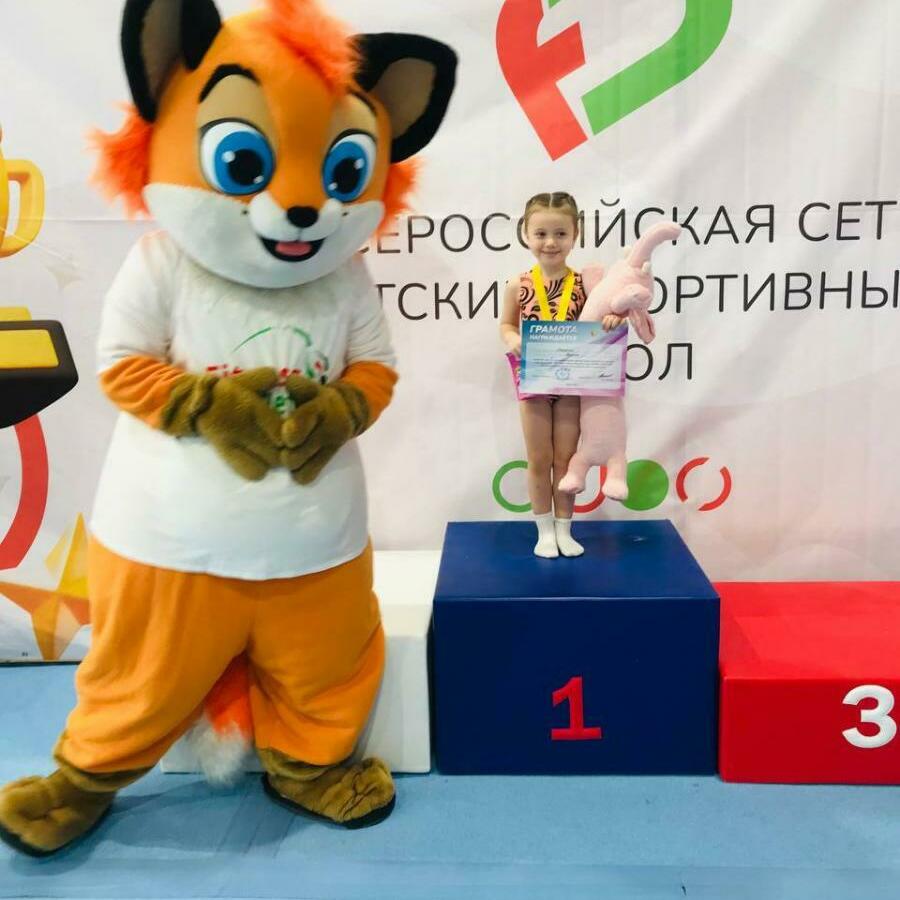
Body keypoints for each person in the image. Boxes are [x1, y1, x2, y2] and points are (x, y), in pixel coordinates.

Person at [499, 192, 621, 558]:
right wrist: (512, 339)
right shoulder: (518, 284)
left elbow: (603, 317)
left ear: (575, 235)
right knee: (539, 458)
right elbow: (506, 324)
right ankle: (544, 531)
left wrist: (611, 320)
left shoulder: (586, 285)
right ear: (526, 233)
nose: (550, 242)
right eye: (541, 233)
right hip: (533, 380)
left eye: (560, 233)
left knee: (566, 460)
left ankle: (565, 529)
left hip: (572, 383)